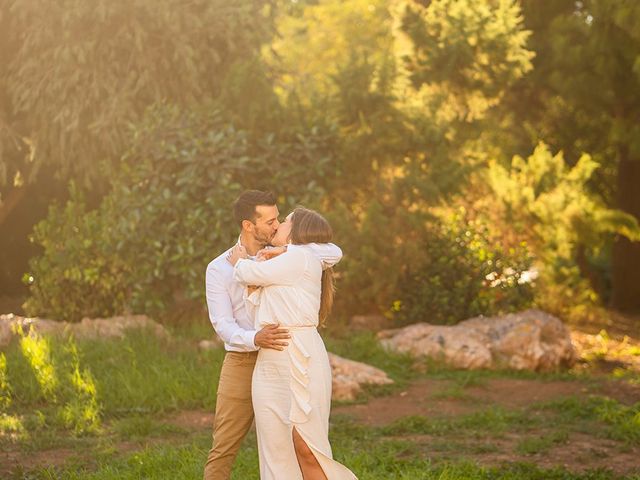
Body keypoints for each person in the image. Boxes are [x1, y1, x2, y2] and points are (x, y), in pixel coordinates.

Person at [203, 191, 343, 480]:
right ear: (248, 225)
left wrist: (286, 251)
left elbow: (334, 251)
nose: (277, 225)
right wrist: (255, 338)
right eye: (270, 221)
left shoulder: (293, 254)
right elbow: (223, 325)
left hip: (285, 357)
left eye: (279, 218)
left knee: (297, 442)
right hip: (244, 359)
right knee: (224, 446)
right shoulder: (220, 268)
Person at [229, 207, 358, 480]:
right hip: (270, 362)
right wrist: (270, 257)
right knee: (276, 448)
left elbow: (245, 274)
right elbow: (255, 315)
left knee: (307, 447)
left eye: (285, 221)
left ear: (297, 232)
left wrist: (241, 260)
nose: (277, 226)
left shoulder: (300, 256)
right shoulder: (281, 261)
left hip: (300, 354)